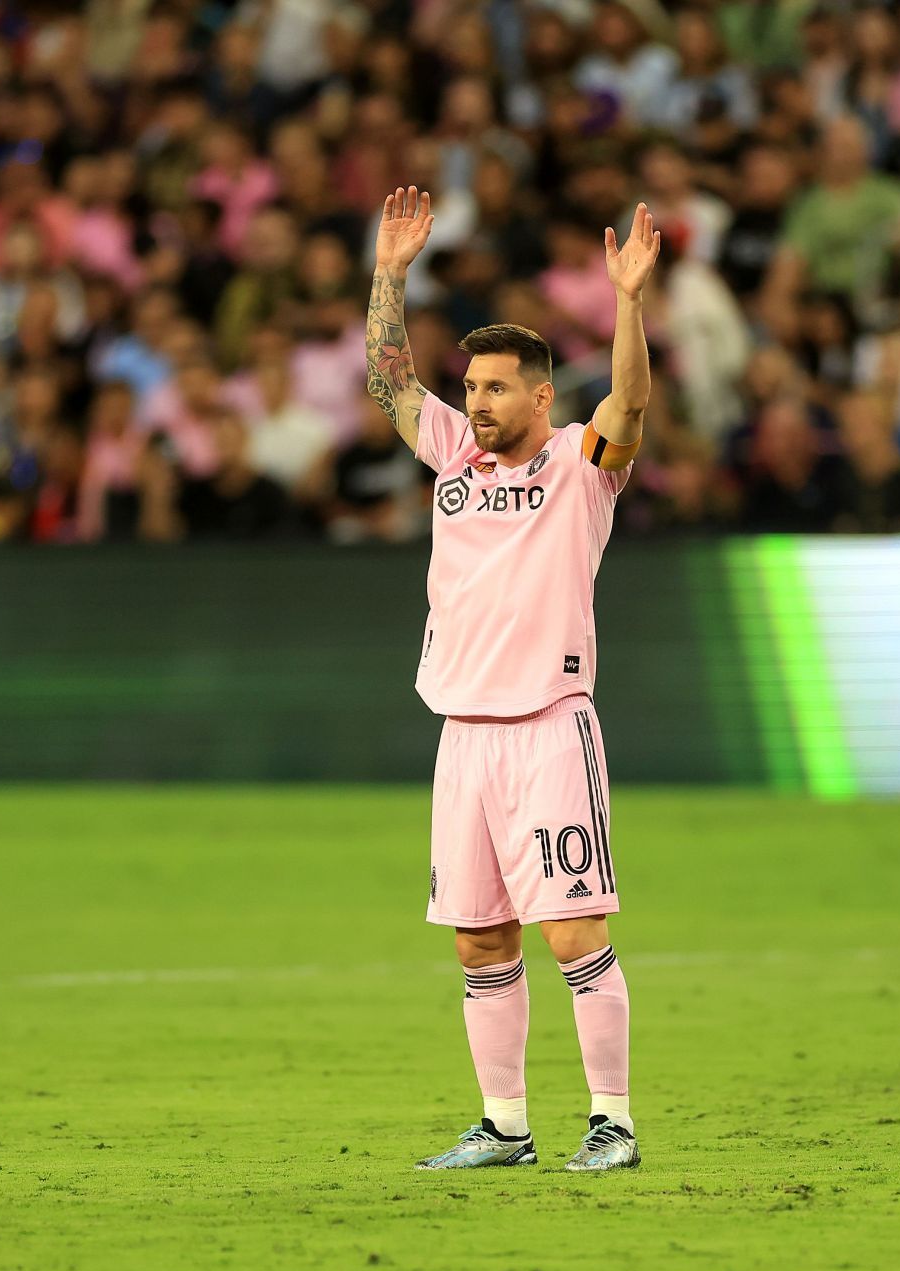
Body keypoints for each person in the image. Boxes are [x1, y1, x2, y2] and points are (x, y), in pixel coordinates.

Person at [367, 185, 652, 1173]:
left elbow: (632, 405)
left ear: (541, 395)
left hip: (546, 726)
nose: (475, 402)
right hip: (464, 732)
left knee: (573, 929)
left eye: (496, 388)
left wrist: (628, 303)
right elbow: (392, 382)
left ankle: (612, 1121)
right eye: (473, 386)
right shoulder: (451, 454)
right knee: (481, 942)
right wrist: (392, 274)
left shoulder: (582, 464)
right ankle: (505, 1125)